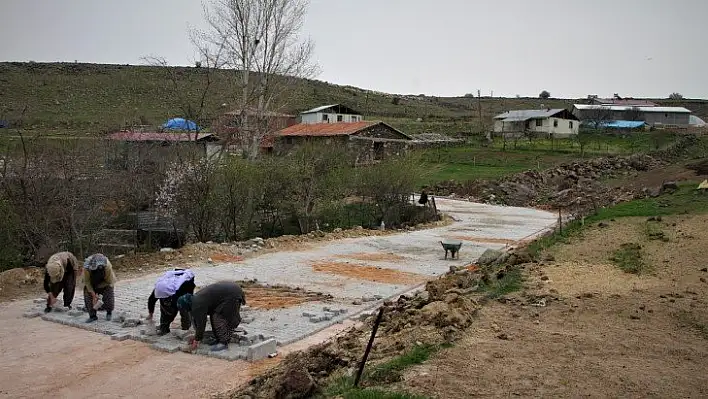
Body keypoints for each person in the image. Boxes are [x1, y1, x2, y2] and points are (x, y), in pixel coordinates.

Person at [177, 281, 246, 352]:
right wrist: (196, 336)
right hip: (231, 290)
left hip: (232, 294)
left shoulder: (197, 305)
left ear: (186, 305)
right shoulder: (194, 299)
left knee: (218, 318)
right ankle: (219, 339)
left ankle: (224, 343)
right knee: (214, 316)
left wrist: (196, 340)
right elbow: (196, 320)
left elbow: (201, 324)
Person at [147, 268, 196, 336]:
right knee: (165, 310)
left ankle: (186, 329)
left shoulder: (182, 288)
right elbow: (151, 300)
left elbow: (182, 305)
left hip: (185, 285)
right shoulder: (159, 289)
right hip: (174, 282)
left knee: (184, 307)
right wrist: (151, 313)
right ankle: (164, 328)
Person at [82, 253, 117, 323]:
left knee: (108, 295)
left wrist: (99, 289)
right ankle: (92, 316)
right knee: (88, 297)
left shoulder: (107, 266)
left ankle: (109, 312)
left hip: (105, 282)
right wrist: (94, 295)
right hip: (91, 282)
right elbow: (87, 282)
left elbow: (109, 281)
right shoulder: (87, 267)